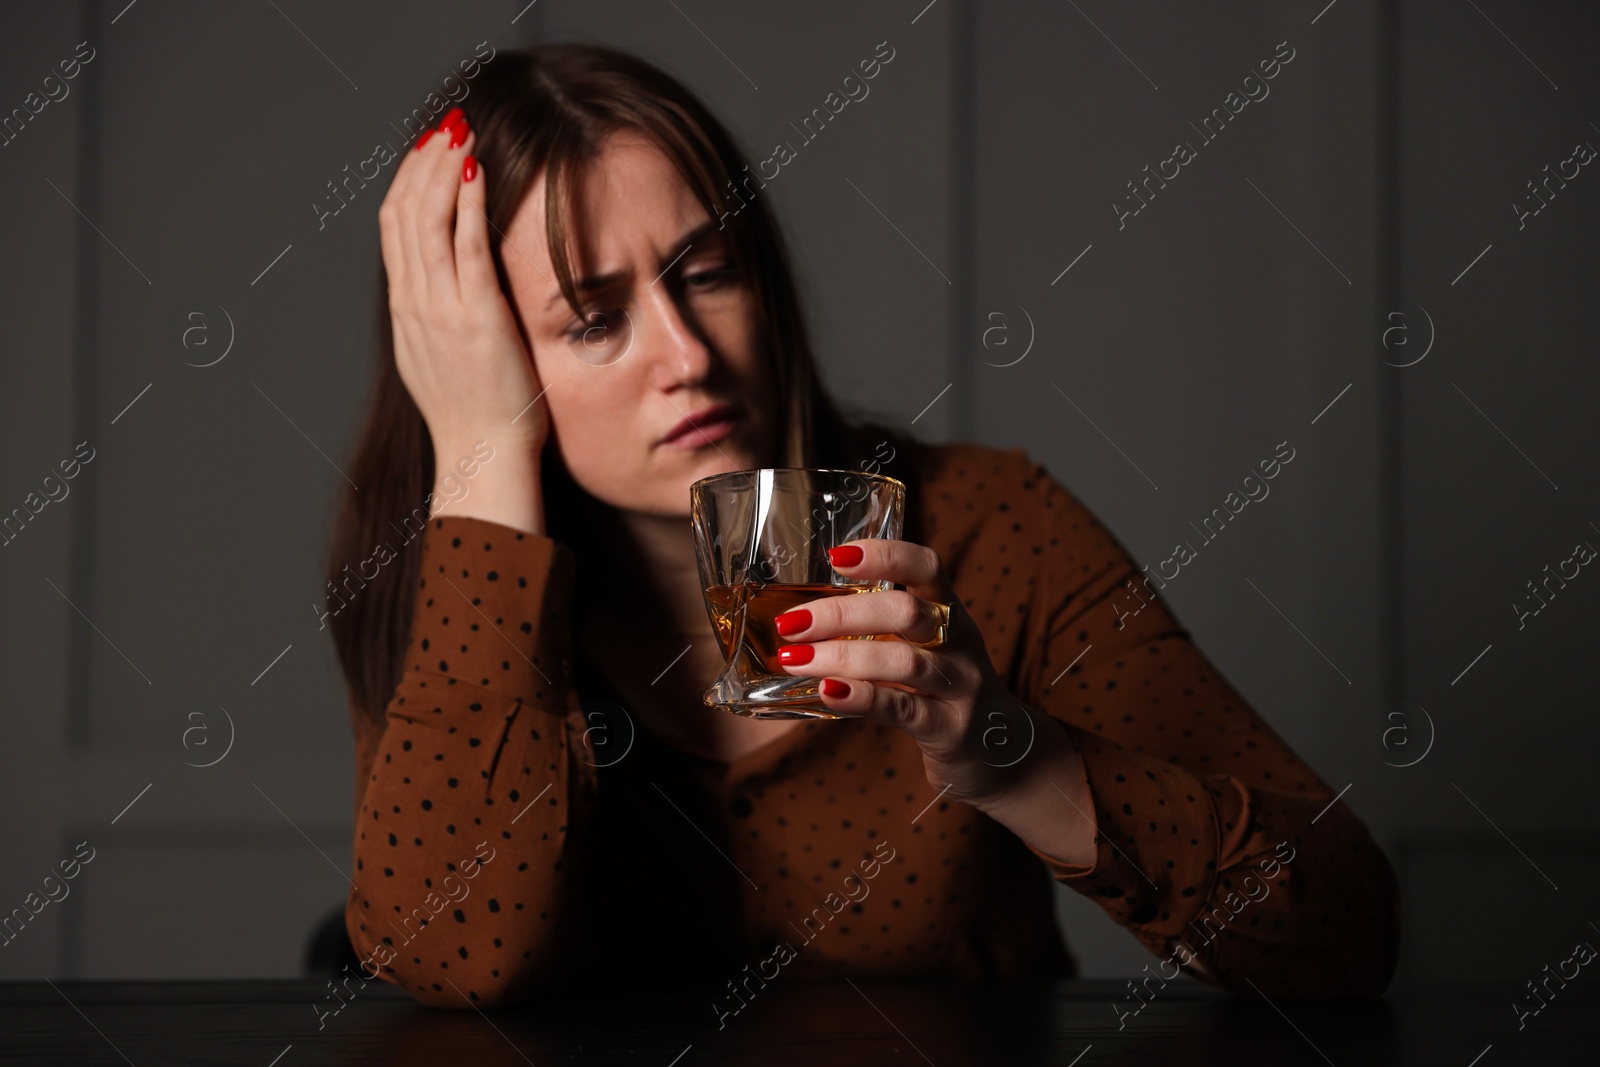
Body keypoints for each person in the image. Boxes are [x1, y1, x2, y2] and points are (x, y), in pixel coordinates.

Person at [324, 43, 1398, 1010]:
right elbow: (451, 952)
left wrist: (1011, 756)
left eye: (708, 273)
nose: (689, 354)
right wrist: (477, 453)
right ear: (480, 360)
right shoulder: (451, 582)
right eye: (594, 319)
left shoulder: (985, 527)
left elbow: (1342, 934)